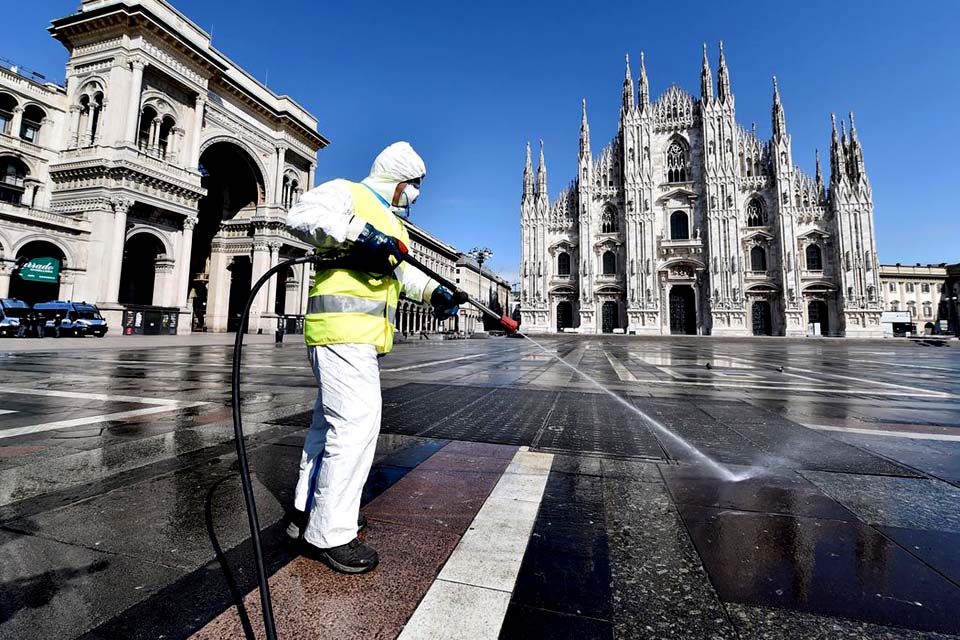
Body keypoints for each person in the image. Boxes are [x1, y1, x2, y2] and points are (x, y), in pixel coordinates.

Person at [284, 142, 460, 574]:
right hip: (340, 332)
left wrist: (434, 292)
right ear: (397, 179)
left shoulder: (390, 221)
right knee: (356, 425)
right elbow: (302, 217)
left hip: (356, 337)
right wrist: (358, 234)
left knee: (327, 427)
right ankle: (331, 533)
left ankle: (306, 510)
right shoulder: (347, 192)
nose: (416, 194)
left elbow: (401, 272)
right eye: (415, 185)